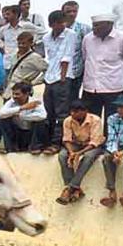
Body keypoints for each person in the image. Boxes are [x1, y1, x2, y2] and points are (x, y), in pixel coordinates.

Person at [82, 13, 123, 133]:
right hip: (91, 87)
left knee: (112, 119)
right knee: (91, 119)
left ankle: (109, 144)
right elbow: (85, 57)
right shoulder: (88, 39)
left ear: (109, 25)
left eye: (97, 26)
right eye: (93, 25)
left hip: (113, 87)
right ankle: (93, 144)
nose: (94, 28)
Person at [43, 10, 79, 155]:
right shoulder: (46, 37)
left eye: (63, 22)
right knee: (49, 111)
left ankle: (57, 143)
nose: (62, 25)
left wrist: (63, 80)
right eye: (58, 23)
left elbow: (66, 56)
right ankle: (49, 140)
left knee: (62, 113)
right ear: (51, 24)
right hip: (49, 78)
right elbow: (49, 58)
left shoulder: (70, 34)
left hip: (63, 78)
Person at [56, 100, 104, 205]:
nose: (73, 114)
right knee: (62, 155)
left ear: (85, 111)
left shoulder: (95, 120)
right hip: (76, 144)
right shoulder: (68, 120)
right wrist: (71, 152)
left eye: (76, 112)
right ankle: (75, 189)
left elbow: (95, 142)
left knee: (88, 156)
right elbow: (67, 139)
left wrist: (79, 153)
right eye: (72, 111)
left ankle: (70, 188)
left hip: (92, 146)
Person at [0, 82, 48, 154]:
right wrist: (21, 108)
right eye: (13, 94)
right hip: (18, 134)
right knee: (2, 120)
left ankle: (35, 147)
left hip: (32, 134)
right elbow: (0, 114)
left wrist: (21, 116)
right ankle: (11, 148)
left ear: (26, 94)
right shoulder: (11, 102)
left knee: (42, 122)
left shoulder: (35, 102)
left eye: (17, 94)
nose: (14, 96)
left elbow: (43, 116)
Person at [0, 5, 44, 72]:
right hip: (8, 61)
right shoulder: (4, 29)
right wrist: (2, 46)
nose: (5, 16)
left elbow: (43, 32)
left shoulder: (26, 25)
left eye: (8, 14)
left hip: (22, 61)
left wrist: (32, 41)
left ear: (16, 14)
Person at [3, 31, 47, 100]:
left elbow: (48, 70)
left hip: (23, 92)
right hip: (10, 90)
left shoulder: (35, 57)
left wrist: (34, 82)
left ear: (31, 43)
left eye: (23, 43)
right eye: (19, 43)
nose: (21, 45)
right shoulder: (15, 55)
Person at [62, 1, 92, 100]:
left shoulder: (84, 28)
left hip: (76, 70)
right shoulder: (59, 28)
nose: (72, 14)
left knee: (73, 98)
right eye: (68, 11)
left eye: (74, 11)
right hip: (60, 70)